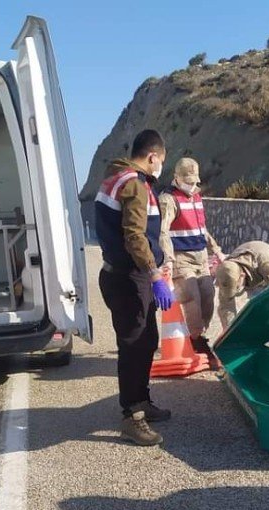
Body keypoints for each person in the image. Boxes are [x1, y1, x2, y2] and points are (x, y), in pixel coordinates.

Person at [94, 129, 175, 446]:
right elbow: (135, 237)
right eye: (161, 161)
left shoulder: (116, 176)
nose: (160, 168)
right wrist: (155, 275)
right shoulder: (135, 185)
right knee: (133, 345)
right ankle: (132, 416)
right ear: (153, 156)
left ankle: (142, 401)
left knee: (146, 340)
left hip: (125, 275)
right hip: (129, 278)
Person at [158, 158, 226, 366]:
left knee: (208, 294)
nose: (191, 185)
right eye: (187, 181)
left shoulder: (196, 197)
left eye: (194, 181)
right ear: (176, 178)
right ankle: (196, 340)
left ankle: (197, 335)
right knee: (191, 296)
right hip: (181, 257)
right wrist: (167, 259)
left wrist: (217, 251)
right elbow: (163, 231)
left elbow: (202, 230)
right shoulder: (168, 199)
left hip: (201, 257)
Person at [215, 241, 269, 350]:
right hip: (249, 275)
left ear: (242, 276)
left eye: (236, 287)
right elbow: (226, 306)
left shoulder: (267, 265)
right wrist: (230, 334)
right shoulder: (227, 270)